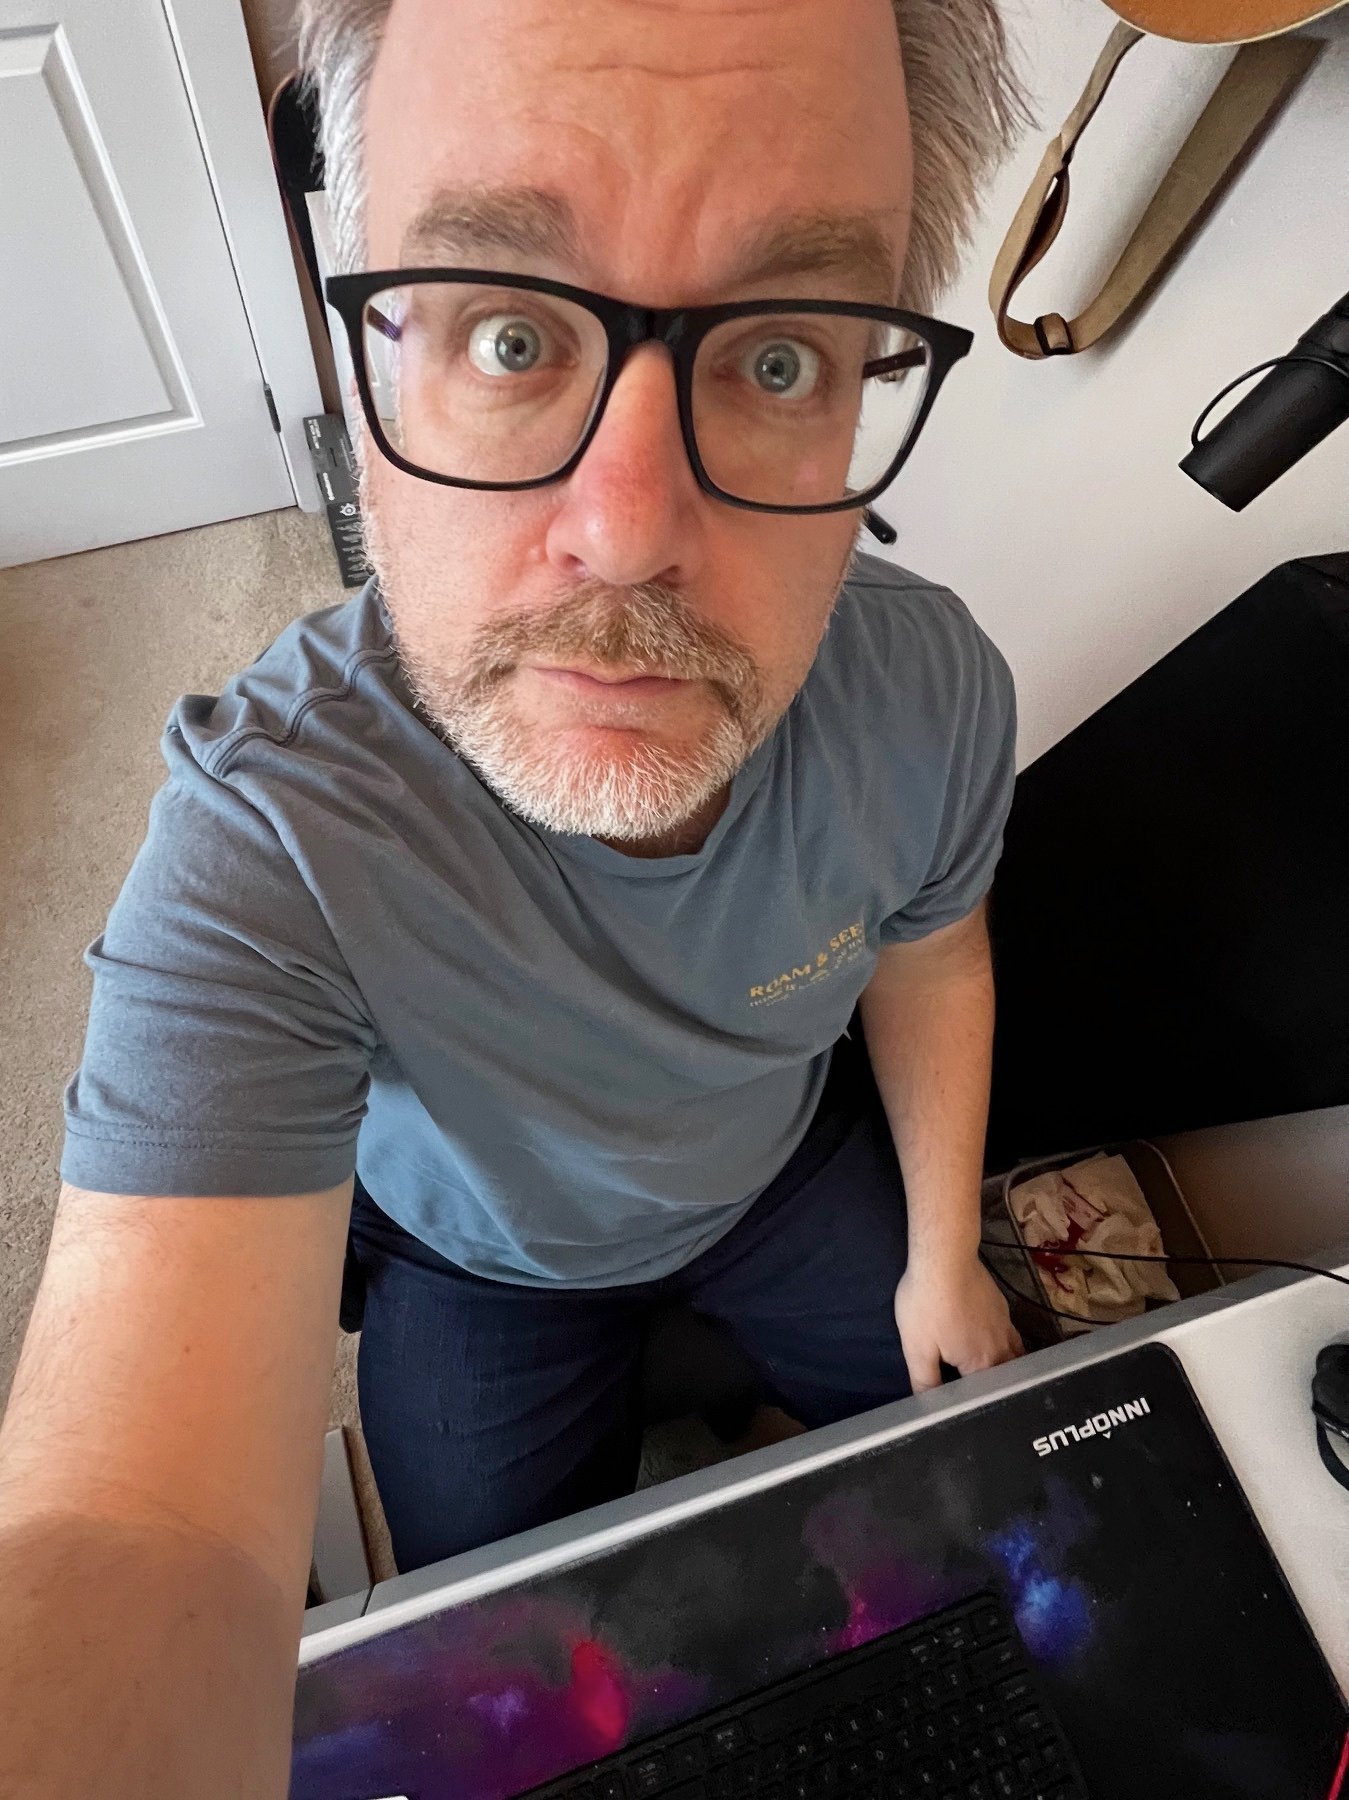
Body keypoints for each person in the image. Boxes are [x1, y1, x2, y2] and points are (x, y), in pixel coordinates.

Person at [0, 0, 1028, 1792]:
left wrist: (941, 1251)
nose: (622, 531)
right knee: (476, 1643)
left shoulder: (929, 687)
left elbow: (932, 960)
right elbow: (139, 1529)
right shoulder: (272, 834)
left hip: (778, 1186)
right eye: (503, 328)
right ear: (371, 366)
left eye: (777, 357)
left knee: (1007, 1487)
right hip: (485, 1268)